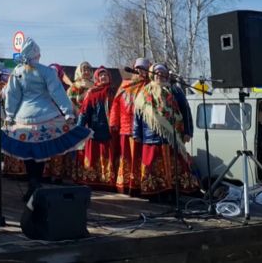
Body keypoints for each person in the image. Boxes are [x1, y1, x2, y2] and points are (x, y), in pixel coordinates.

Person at [0, 38, 92, 202]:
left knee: (29, 152)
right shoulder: (46, 71)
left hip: (23, 118)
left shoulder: (18, 71)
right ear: (37, 54)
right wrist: (68, 113)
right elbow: (58, 93)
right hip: (46, 116)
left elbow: (12, 96)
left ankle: (32, 184)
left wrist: (9, 116)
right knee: (41, 151)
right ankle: (35, 185)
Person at [132, 64, 200, 197]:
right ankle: (155, 193)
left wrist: (188, 132)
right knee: (153, 167)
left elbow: (186, 111)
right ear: (151, 74)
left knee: (177, 164)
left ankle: (177, 191)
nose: (160, 75)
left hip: (173, 136)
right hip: (151, 136)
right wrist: (137, 133)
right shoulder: (144, 92)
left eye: (162, 72)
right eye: (157, 72)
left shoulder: (175, 90)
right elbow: (137, 114)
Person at [109, 57, 150, 194]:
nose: (140, 71)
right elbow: (115, 104)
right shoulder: (125, 84)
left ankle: (139, 184)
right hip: (125, 128)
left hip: (144, 130)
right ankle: (126, 184)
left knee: (140, 157)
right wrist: (114, 122)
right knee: (126, 157)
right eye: (138, 68)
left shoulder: (149, 86)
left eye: (143, 69)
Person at [76, 67, 117, 190]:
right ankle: (92, 179)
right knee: (95, 154)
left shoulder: (114, 92)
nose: (103, 77)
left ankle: (108, 181)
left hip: (110, 131)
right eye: (101, 75)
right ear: (97, 78)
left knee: (108, 155)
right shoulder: (92, 93)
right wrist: (79, 129)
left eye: (106, 75)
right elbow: (84, 112)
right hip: (95, 129)